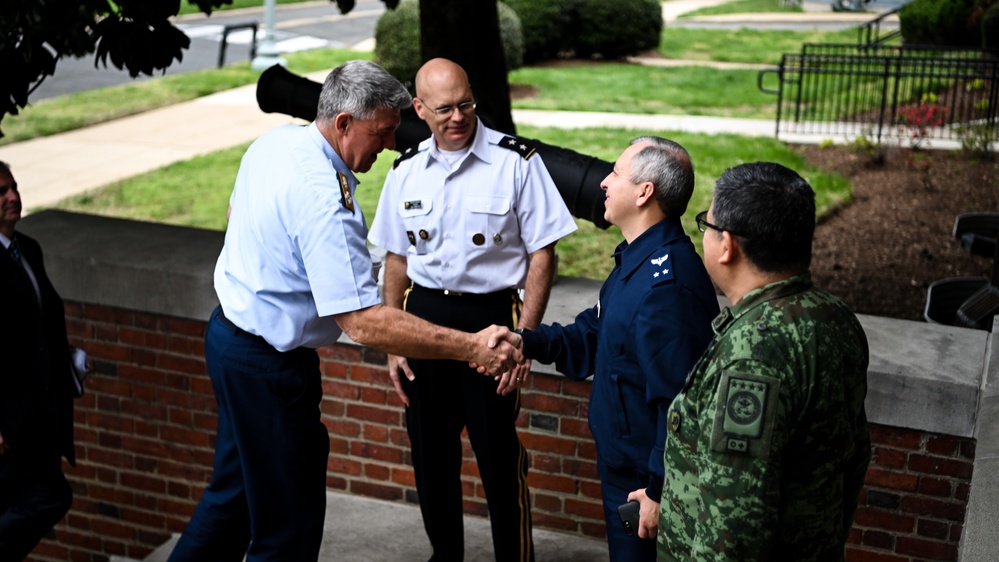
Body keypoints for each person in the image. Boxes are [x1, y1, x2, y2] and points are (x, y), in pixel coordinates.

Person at [167, 60, 524, 562]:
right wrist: (471, 347)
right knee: (287, 530)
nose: (389, 143)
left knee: (234, 498)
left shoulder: (275, 143)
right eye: (382, 132)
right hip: (268, 369)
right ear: (343, 123)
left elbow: (235, 214)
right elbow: (362, 322)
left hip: (229, 338)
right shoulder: (325, 202)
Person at [367, 58, 577, 562]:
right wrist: (394, 343)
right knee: (431, 460)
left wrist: (523, 339)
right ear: (419, 108)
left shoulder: (516, 162)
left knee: (499, 459)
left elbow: (543, 252)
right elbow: (396, 260)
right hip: (421, 318)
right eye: (444, 109)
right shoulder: (406, 169)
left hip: (492, 321)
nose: (458, 116)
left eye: (465, 104)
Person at [491, 137, 718, 561]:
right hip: (624, 466)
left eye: (615, 173)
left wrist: (657, 489)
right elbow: (591, 335)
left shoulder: (666, 289)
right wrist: (526, 341)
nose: (604, 184)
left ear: (644, 192)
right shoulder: (636, 261)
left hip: (644, 479)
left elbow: (680, 405)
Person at [657, 162, 871, 561]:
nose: (703, 236)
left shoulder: (752, 355)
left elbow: (734, 529)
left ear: (727, 246)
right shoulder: (835, 318)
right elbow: (855, 456)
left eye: (707, 225)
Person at [0, 160, 76, 562]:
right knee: (48, 495)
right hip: (8, 422)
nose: (13, 196)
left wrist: (69, 361)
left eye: (13, 187)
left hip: (38, 414)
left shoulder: (27, 248)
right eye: (1, 193)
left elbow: (41, 323)